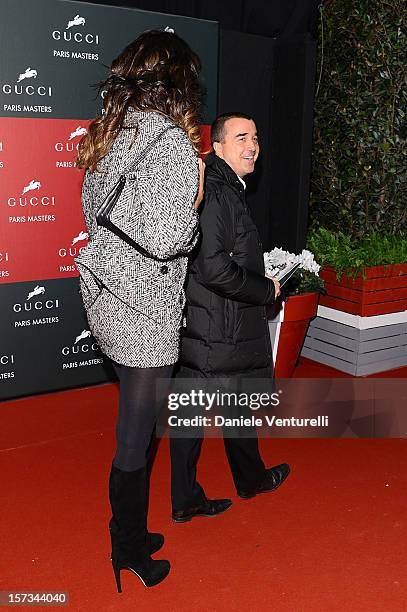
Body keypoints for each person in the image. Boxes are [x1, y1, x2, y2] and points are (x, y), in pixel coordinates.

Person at [75, 30, 204, 589]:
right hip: (146, 307)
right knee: (136, 433)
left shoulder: (111, 134)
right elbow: (170, 236)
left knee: (138, 423)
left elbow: (92, 214)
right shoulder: (173, 144)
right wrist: (194, 203)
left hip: (107, 295)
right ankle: (125, 547)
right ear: (178, 81)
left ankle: (130, 529)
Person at [170, 112, 290, 523]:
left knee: (219, 406)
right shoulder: (219, 193)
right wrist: (264, 289)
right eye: (241, 137)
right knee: (199, 411)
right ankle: (202, 494)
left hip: (214, 325)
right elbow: (214, 268)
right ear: (217, 146)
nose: (252, 145)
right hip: (216, 326)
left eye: (255, 137)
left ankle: (240, 481)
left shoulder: (224, 188)